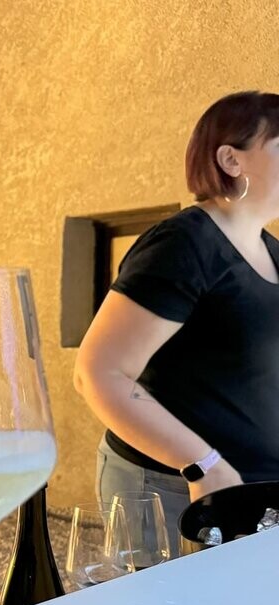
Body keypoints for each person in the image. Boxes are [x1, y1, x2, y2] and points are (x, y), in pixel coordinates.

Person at [74, 91, 279, 548]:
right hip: (176, 495)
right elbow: (98, 373)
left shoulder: (271, 252)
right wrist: (205, 466)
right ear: (231, 159)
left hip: (255, 502)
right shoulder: (184, 246)